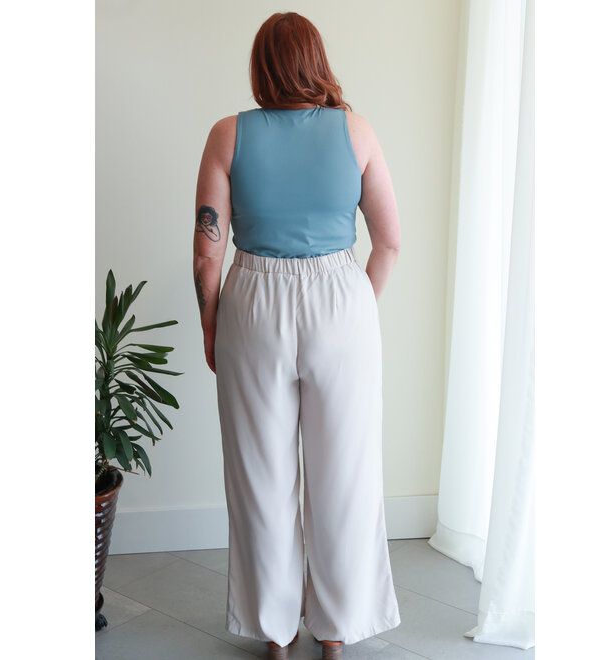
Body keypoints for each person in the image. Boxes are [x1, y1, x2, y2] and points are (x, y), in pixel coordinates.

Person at [192, 11, 401, 660]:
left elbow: (207, 252)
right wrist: (354, 309)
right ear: (317, 60)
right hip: (341, 300)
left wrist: (212, 324)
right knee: (345, 474)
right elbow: (390, 242)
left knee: (260, 475)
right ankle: (335, 630)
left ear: (261, 67)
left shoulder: (228, 135)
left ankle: (276, 632)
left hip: (253, 301)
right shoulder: (357, 132)